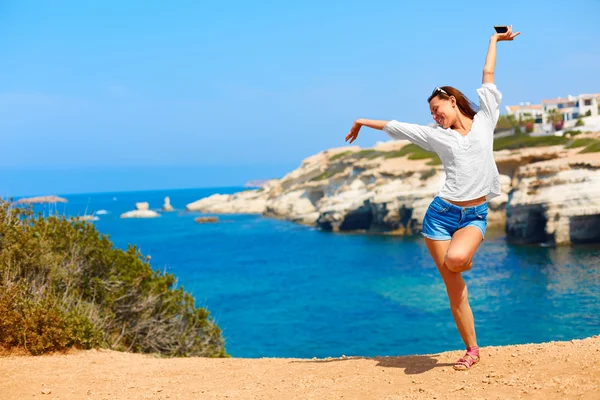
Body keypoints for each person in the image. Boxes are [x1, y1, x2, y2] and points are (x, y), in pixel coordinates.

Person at [344, 26, 520, 370]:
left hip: (473, 215)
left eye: (438, 109)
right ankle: (472, 350)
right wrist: (362, 121)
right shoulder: (435, 135)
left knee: (457, 262)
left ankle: (464, 262)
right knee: (453, 287)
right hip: (439, 216)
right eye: (432, 113)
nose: (435, 116)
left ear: (453, 102)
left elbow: (487, 75)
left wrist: (494, 41)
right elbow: (397, 126)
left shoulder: (486, 119)